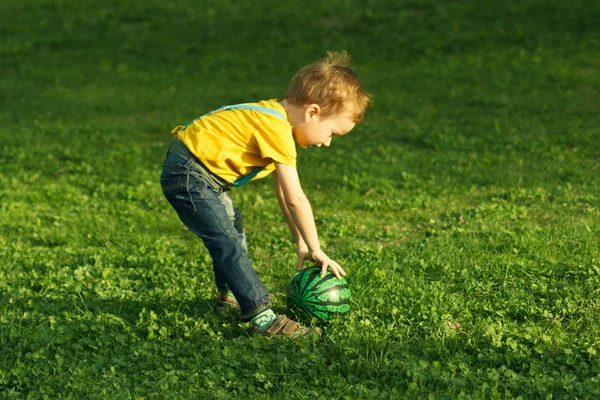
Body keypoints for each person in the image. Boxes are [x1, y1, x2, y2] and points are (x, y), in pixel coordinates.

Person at [160, 51, 370, 339]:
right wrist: (317, 247)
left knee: (231, 229)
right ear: (313, 113)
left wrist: (301, 242)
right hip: (189, 173)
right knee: (227, 239)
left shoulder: (274, 121)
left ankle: (230, 297)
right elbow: (297, 198)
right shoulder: (276, 128)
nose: (328, 143)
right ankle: (264, 319)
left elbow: (284, 195)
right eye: (332, 133)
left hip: (196, 172)